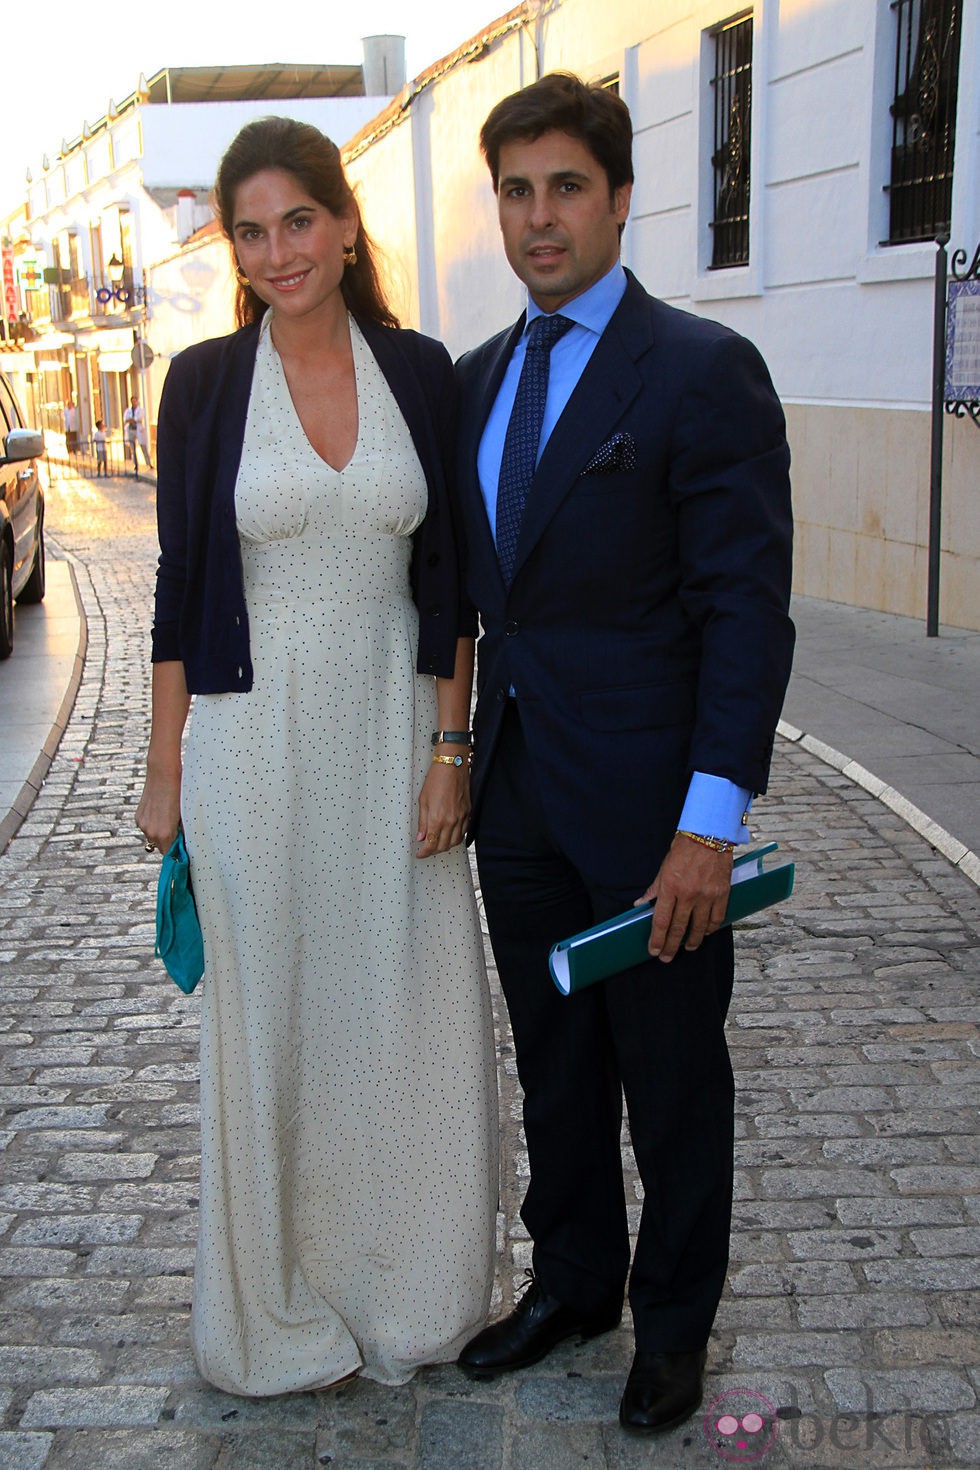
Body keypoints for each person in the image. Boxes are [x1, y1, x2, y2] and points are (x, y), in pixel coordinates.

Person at [454, 74, 794, 1436]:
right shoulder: (477, 381)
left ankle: (673, 1326)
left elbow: (742, 611)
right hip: (519, 794)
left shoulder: (701, 370)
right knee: (555, 1062)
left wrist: (709, 822)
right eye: (519, 192)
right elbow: (485, 597)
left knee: (672, 1076)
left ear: (619, 197)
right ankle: (577, 1279)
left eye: (567, 188)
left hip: (657, 813)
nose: (542, 219)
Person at [135, 115, 497, 1397]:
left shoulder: (421, 371)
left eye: (297, 221)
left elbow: (452, 575)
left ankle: (407, 1287)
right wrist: (164, 767)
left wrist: (452, 747)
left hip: (394, 733)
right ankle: (274, 1303)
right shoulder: (202, 383)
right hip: (250, 743)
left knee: (402, 1006)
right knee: (273, 1021)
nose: (276, 251)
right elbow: (183, 582)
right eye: (249, 229)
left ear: (346, 225)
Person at [123, 395, 152, 475]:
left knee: (143, 447)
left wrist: (131, 420)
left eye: (135, 401)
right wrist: (131, 420)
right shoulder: (128, 411)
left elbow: (138, 418)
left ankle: (148, 463)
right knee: (133, 449)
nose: (133, 402)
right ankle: (136, 465)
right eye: (132, 401)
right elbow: (125, 420)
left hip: (138, 430)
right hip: (131, 430)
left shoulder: (140, 410)